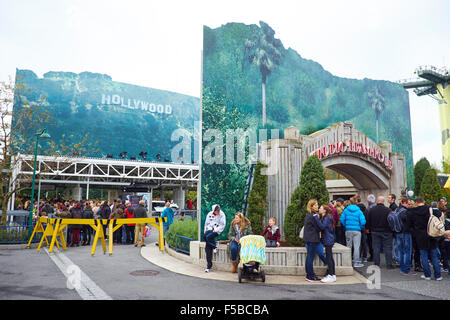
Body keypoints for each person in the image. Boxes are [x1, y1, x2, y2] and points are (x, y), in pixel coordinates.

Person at [406, 197, 442, 280]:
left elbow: (408, 226)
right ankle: (438, 275)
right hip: (431, 234)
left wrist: (415, 232)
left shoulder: (412, 212)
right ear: (424, 201)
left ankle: (427, 275)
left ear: (416, 203)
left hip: (420, 236)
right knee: (434, 256)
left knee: (424, 256)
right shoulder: (430, 209)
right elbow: (440, 214)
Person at [367, 196, 394, 268]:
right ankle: (389, 264)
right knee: (388, 248)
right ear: (383, 201)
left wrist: (368, 229)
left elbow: (368, 221)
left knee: (376, 247)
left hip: (375, 231)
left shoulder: (371, 210)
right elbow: (391, 221)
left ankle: (376, 263)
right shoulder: (388, 210)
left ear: (377, 201)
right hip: (386, 231)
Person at [340, 197, 366, 268]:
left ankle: (348, 262)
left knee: (348, 246)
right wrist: (360, 227)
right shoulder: (359, 211)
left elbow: (341, 220)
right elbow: (363, 221)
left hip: (348, 230)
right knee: (357, 247)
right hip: (357, 230)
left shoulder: (346, 210)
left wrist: (346, 226)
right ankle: (356, 262)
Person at [314, 204, 336, 283]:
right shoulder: (327, 217)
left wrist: (316, 219)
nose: (319, 209)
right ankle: (332, 274)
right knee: (330, 257)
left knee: (329, 257)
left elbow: (322, 227)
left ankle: (331, 275)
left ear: (324, 210)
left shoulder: (326, 217)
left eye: (320, 208)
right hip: (328, 239)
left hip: (328, 239)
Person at [203, 204, 226, 273]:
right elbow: (206, 223)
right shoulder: (209, 214)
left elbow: (222, 225)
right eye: (216, 210)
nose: (218, 211)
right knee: (207, 246)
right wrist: (206, 231)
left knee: (207, 237)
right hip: (209, 229)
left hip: (217, 230)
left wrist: (215, 229)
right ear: (214, 210)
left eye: (219, 210)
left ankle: (214, 245)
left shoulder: (222, 215)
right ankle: (208, 266)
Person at [304, 199, 322, 282]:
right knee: (310, 257)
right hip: (313, 239)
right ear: (311, 206)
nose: (317, 206)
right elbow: (320, 227)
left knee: (309, 257)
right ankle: (311, 276)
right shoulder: (314, 216)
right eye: (315, 205)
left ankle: (308, 274)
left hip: (308, 238)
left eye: (317, 205)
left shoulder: (308, 215)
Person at [396, 196, 413, 275]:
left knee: (400, 251)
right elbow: (408, 221)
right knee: (407, 251)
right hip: (405, 232)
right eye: (408, 204)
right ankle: (406, 269)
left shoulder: (397, 210)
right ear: (405, 203)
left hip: (398, 232)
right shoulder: (405, 211)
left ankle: (401, 268)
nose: (408, 205)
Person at [355, 195, 369, 263]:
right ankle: (365, 257)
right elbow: (366, 220)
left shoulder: (357, 211)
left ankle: (359, 257)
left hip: (357, 228)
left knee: (357, 244)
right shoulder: (365, 209)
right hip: (363, 228)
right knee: (364, 243)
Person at [388, 194, 400, 266]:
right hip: (394, 230)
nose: (388, 199)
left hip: (394, 230)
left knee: (395, 245)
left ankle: (396, 259)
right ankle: (396, 258)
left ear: (393, 199)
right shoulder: (392, 206)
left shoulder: (393, 207)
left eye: (389, 198)